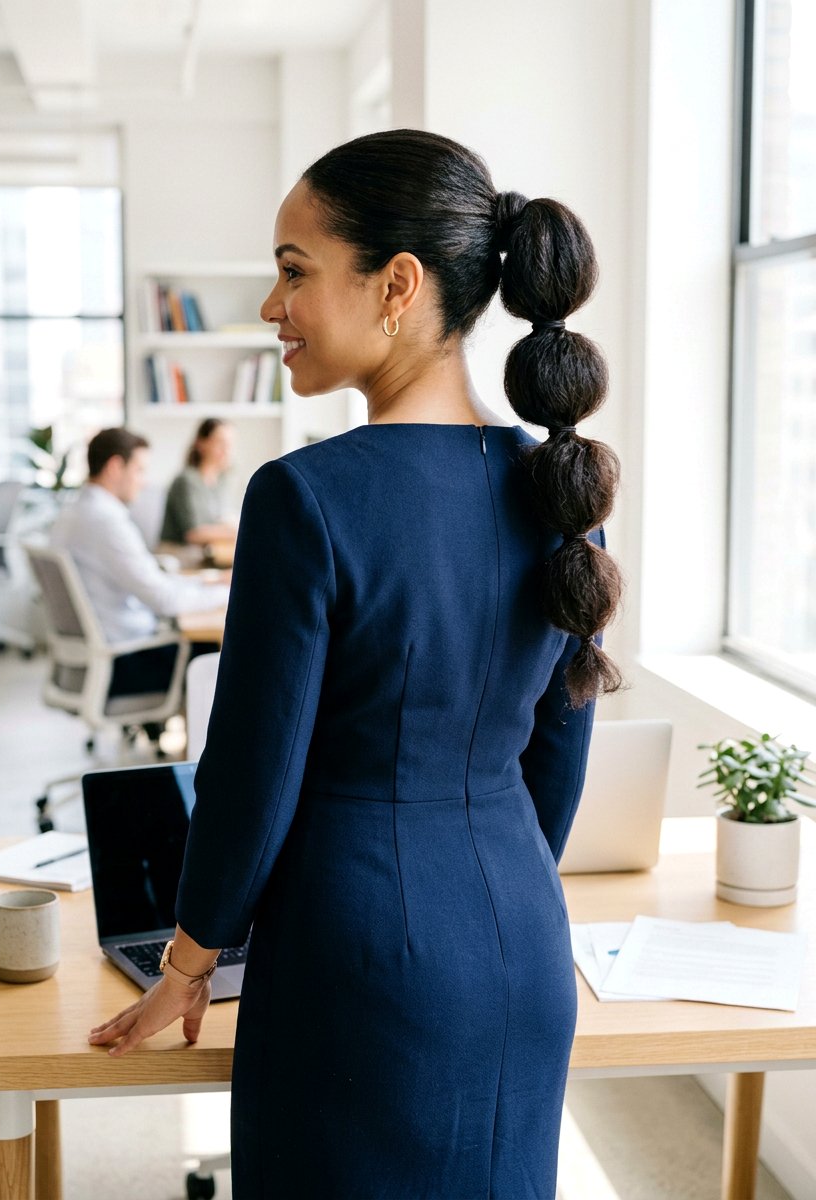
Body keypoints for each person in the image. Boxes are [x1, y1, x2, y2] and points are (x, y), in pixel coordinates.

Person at [89, 130, 623, 1198]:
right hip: (522, 943)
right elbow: (554, 761)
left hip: (358, 961)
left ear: (397, 286)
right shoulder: (563, 493)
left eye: (293, 271)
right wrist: (493, 876)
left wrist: (187, 963)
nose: (269, 306)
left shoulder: (305, 498)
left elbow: (249, 771)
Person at [50, 427, 226, 697]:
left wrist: (208, 581)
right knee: (214, 654)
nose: (144, 482)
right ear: (115, 467)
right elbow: (164, 600)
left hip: (94, 661)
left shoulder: (75, 512)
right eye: (140, 470)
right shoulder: (106, 522)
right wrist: (229, 591)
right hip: (124, 662)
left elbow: (150, 579)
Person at [160, 418, 237, 548]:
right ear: (201, 444)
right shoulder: (186, 481)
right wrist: (238, 531)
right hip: (179, 554)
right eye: (220, 443)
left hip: (207, 553)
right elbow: (193, 533)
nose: (227, 450)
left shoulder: (222, 481)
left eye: (230, 444)